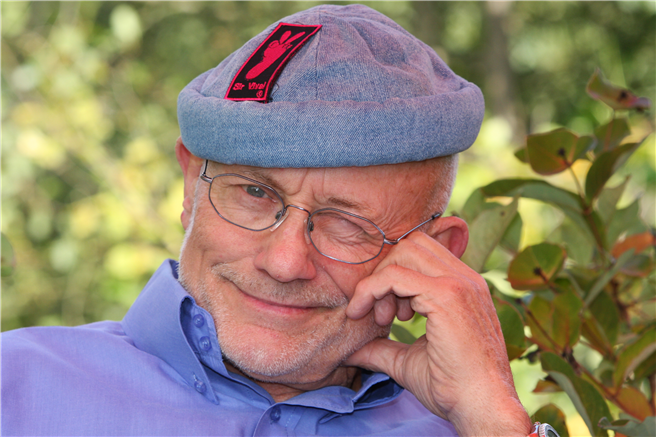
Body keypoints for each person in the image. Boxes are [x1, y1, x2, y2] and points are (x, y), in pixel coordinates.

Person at [2, 5, 558, 437]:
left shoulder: (468, 428)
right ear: (191, 186)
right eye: (253, 193)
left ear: (439, 253)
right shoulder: (17, 388)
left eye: (348, 224)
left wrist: (495, 419)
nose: (286, 262)